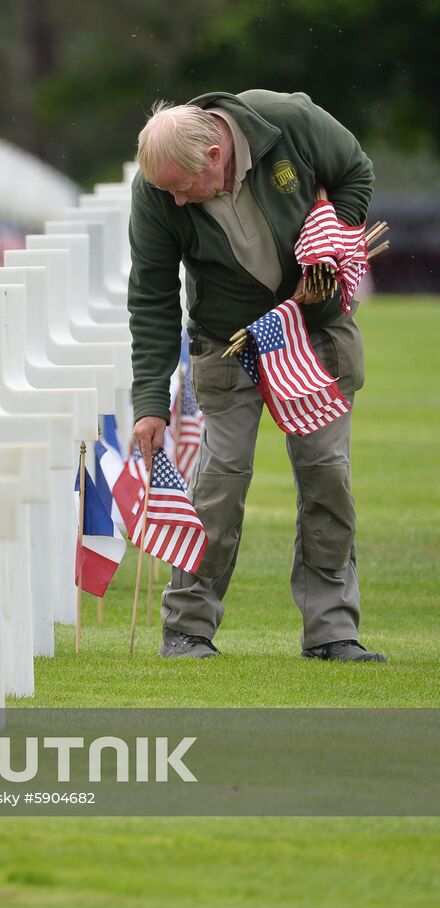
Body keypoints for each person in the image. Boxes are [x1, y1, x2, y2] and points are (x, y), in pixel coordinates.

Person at [127, 90, 384, 661]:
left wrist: (331, 232)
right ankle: (188, 628)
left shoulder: (288, 121)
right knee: (220, 483)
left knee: (327, 479)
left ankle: (332, 631)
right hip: (226, 343)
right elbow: (151, 296)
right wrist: (149, 400)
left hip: (315, 333)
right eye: (165, 190)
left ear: (215, 155)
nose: (173, 198)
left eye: (180, 187)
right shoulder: (155, 191)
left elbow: (356, 174)